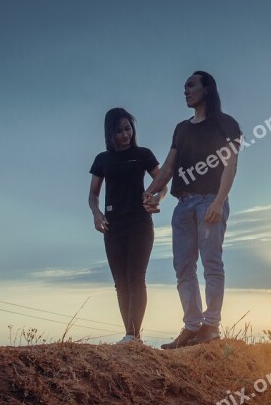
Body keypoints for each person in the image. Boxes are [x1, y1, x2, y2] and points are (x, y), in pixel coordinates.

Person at [144, 71, 241, 349]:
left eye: (190, 85)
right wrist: (149, 192)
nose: (185, 91)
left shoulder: (226, 124)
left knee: (212, 263)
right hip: (183, 205)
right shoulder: (181, 128)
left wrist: (219, 202)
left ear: (207, 89)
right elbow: (168, 169)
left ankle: (211, 326)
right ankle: (192, 326)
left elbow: (230, 166)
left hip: (210, 200)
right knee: (183, 267)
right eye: (184, 87)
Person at [88, 108, 167, 344]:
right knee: (120, 282)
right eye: (119, 131)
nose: (125, 135)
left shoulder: (143, 154)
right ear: (109, 134)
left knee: (135, 278)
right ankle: (131, 335)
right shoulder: (102, 160)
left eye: (128, 129)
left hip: (139, 223)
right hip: (113, 226)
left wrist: (157, 197)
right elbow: (93, 194)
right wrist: (96, 212)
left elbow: (162, 182)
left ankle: (133, 335)